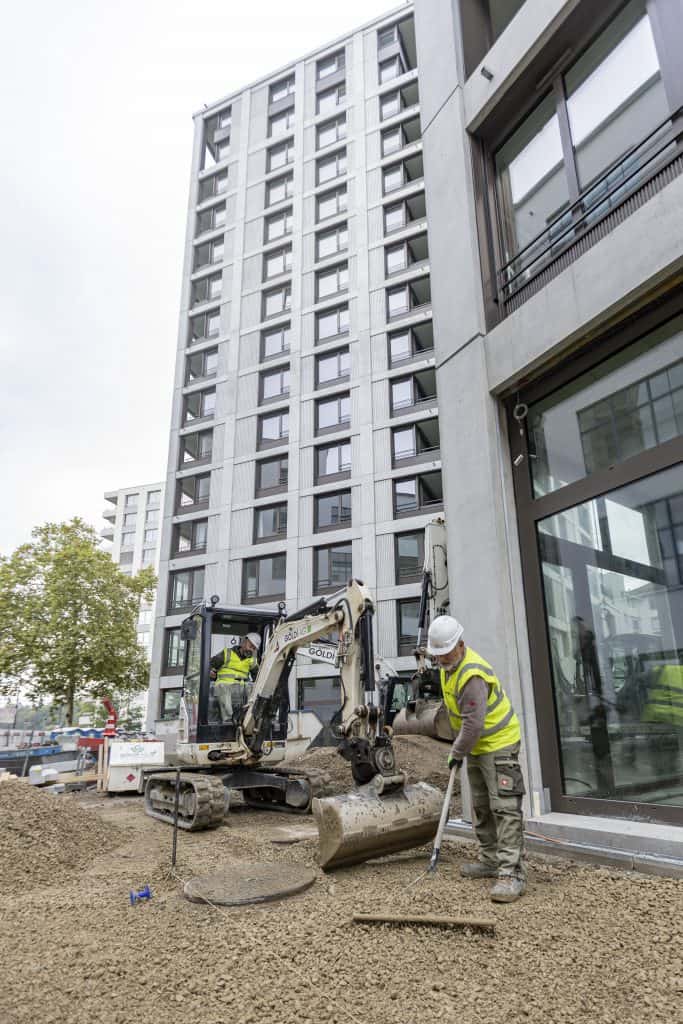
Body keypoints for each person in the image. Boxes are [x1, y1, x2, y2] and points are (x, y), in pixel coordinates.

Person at [427, 615, 527, 903]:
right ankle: (491, 859)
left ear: (460, 644)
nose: (441, 660)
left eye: (445, 653)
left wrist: (456, 752)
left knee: (504, 807)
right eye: (438, 655)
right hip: (477, 747)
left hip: (499, 743)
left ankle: (512, 873)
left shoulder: (471, 674)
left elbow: (473, 723)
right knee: (481, 806)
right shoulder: (449, 666)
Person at [209, 632, 261, 723]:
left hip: (241, 689)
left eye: (254, 648)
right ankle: (228, 720)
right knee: (223, 686)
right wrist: (211, 672)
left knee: (253, 688)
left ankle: (251, 719)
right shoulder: (227, 653)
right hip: (225, 687)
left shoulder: (252, 661)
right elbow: (209, 665)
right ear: (244, 641)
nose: (251, 650)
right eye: (250, 646)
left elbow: (258, 677)